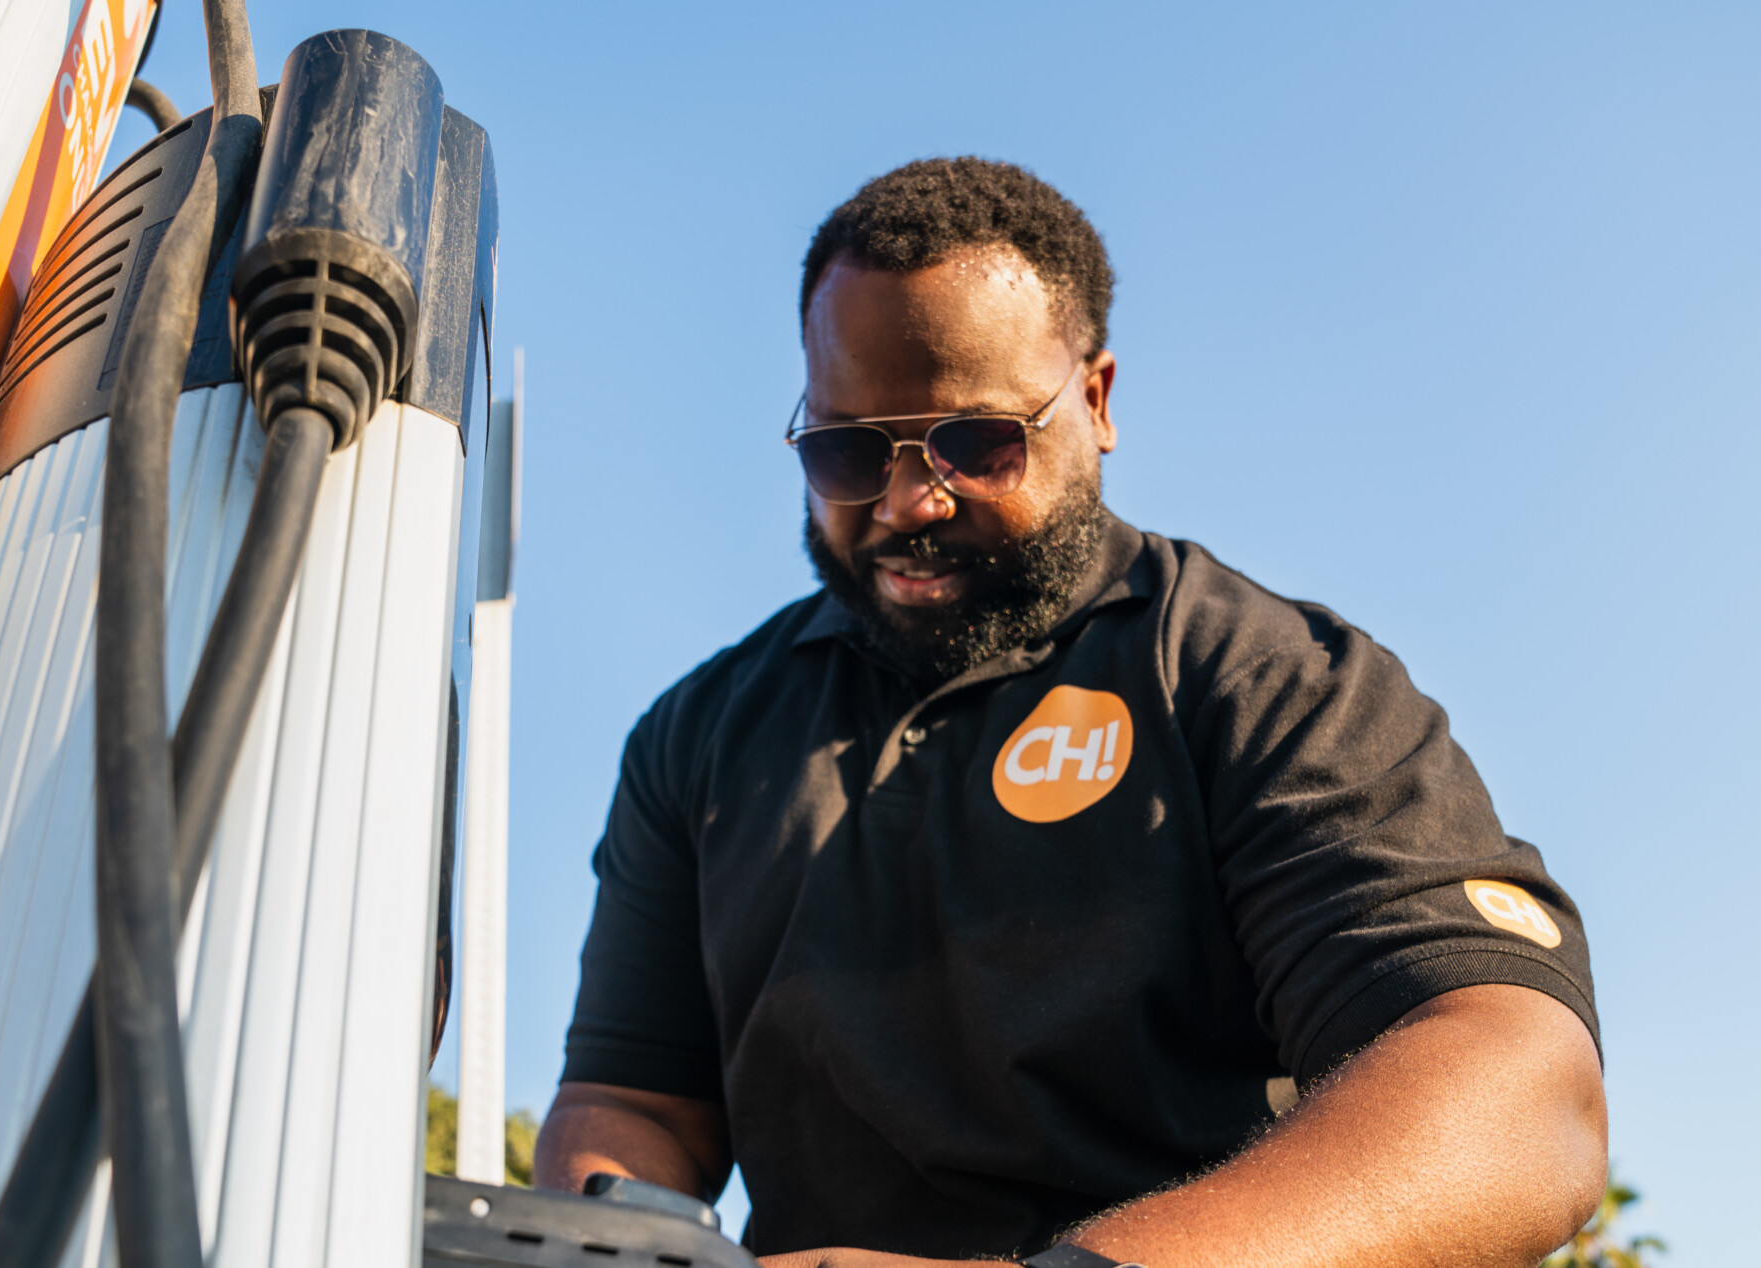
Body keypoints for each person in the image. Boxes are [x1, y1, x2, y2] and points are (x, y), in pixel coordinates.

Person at [535, 157, 1606, 1268]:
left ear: (1092, 402)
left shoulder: (1257, 676)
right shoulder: (698, 735)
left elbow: (1519, 1095)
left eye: (972, 443)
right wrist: (614, 1227)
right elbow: (634, 1099)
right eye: (848, 450)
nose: (909, 501)